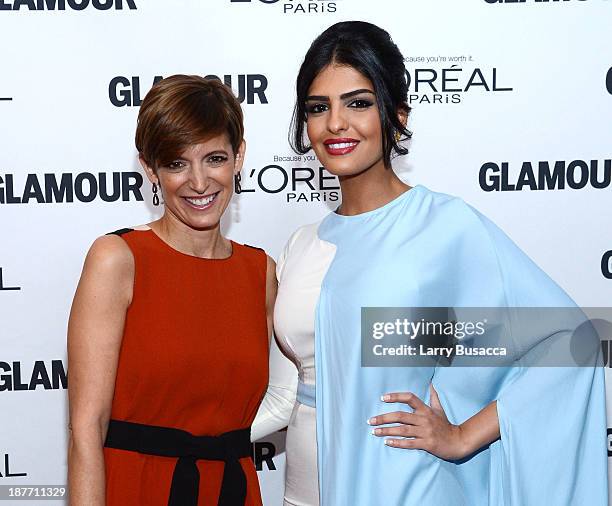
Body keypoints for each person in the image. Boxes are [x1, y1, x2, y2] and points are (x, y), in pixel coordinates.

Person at [264, 21, 608, 505]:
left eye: (358, 103)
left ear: (397, 116)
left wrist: (464, 434)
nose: (336, 123)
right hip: (302, 490)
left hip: (402, 486)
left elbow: (571, 340)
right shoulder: (300, 245)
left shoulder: (444, 226)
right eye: (319, 108)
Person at [67, 75, 278, 506]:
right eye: (177, 163)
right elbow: (87, 429)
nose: (199, 182)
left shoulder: (261, 272)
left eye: (215, 158)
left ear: (239, 157)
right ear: (150, 169)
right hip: (137, 490)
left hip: (232, 493)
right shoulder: (118, 259)